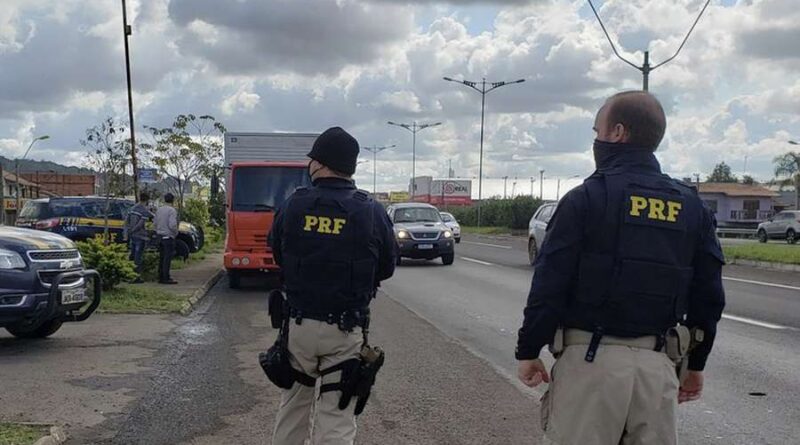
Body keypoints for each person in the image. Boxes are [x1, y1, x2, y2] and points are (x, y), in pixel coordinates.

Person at [516, 91, 726, 445]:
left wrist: (528, 350)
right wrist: (696, 365)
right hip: (657, 369)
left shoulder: (586, 198)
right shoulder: (691, 207)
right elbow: (708, 298)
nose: (595, 139)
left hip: (589, 366)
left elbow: (550, 286)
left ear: (617, 132)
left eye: (597, 130)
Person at [268, 127, 397, 445]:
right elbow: (387, 267)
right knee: (337, 416)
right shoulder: (371, 210)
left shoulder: (293, 205)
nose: (309, 165)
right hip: (345, 331)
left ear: (321, 164)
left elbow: (277, 254)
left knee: (293, 408)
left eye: (312, 159)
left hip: (298, 328)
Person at [125, 191, 153, 283]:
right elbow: (141, 224)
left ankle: (129, 275)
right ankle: (136, 277)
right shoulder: (144, 210)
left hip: (132, 236)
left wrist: (128, 231)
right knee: (138, 257)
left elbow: (126, 221)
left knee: (132, 255)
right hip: (140, 236)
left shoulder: (132, 208)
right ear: (147, 200)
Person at [154, 193, 179, 285]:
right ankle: (166, 277)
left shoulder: (159, 210)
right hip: (168, 236)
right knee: (167, 258)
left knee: (161, 257)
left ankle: (160, 276)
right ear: (172, 200)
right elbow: (172, 224)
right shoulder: (172, 210)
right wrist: (175, 232)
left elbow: (155, 223)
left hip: (159, 236)